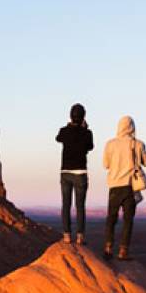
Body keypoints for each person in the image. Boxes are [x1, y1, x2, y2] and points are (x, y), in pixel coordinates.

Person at [102, 115, 146, 260]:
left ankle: (108, 248)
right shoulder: (138, 144)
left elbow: (105, 165)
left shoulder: (110, 144)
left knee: (111, 218)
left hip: (115, 187)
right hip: (131, 187)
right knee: (128, 220)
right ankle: (123, 252)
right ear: (132, 127)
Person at [56, 103, 94, 244]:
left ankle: (66, 235)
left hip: (65, 172)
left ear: (71, 116)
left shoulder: (64, 131)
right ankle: (80, 237)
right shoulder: (87, 133)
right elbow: (90, 146)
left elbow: (58, 138)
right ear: (83, 117)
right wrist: (84, 128)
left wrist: (69, 126)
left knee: (66, 204)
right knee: (80, 206)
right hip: (80, 173)